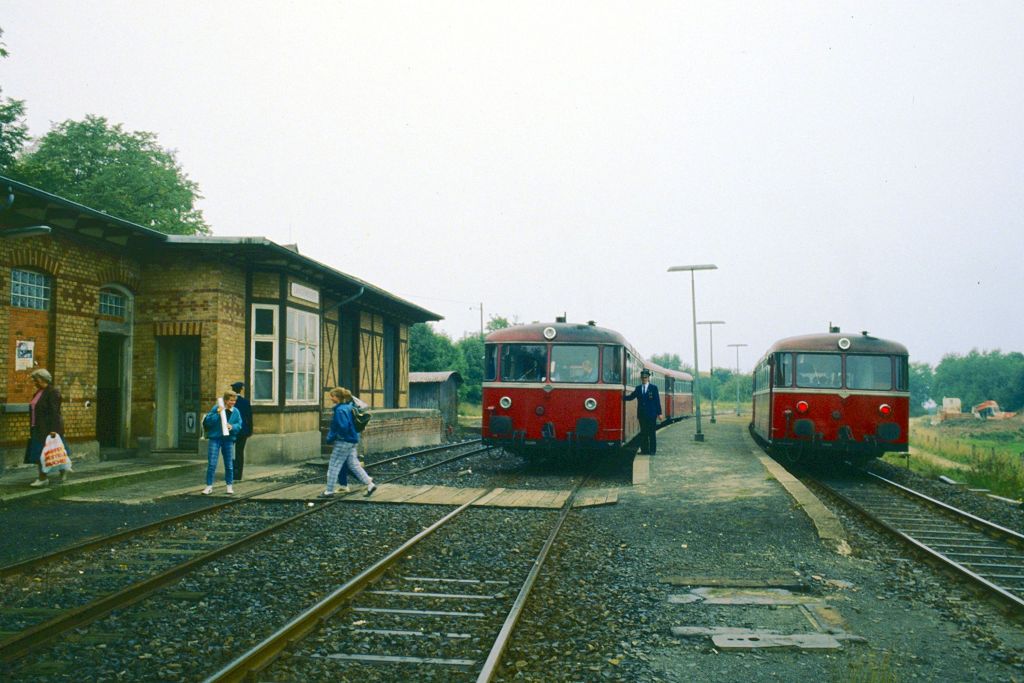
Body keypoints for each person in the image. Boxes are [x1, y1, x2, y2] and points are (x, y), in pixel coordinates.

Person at [323, 387, 376, 498]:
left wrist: (333, 436)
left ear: (337, 397)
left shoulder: (339, 410)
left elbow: (343, 426)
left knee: (334, 465)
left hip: (343, 441)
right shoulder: (349, 407)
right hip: (352, 440)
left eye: (332, 396)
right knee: (353, 464)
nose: (331, 398)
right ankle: (370, 484)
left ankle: (329, 491)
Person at [25, 369, 68, 487]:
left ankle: (45, 477)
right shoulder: (38, 392)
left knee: (51, 453)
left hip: (48, 429)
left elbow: (55, 413)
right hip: (37, 427)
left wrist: (54, 430)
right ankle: (45, 477)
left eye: (36, 379)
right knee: (42, 454)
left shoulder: (53, 392)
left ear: (43, 379)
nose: (34, 382)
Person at [201, 390, 243, 495]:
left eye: (234, 400)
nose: (233, 402)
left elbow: (239, 425)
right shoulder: (217, 408)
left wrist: (232, 427)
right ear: (225, 400)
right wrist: (218, 414)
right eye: (231, 400)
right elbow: (208, 422)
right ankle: (209, 486)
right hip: (215, 438)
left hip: (228, 440)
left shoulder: (236, 411)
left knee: (229, 464)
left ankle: (229, 486)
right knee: (212, 463)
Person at [624, 369, 662, 455]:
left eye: (645, 377)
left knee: (652, 433)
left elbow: (657, 401)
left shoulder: (653, 388)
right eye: (642, 378)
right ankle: (644, 450)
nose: (644, 379)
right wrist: (621, 397)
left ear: (648, 378)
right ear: (641, 379)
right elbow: (631, 397)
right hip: (642, 415)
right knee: (643, 433)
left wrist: (659, 413)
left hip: (652, 414)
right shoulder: (638, 388)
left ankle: (652, 451)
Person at [230, 382, 253, 481]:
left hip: (230, 430)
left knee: (229, 451)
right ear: (241, 390)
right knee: (240, 452)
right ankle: (239, 474)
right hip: (242, 430)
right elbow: (249, 417)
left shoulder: (229, 402)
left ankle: (231, 471)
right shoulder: (245, 402)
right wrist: (250, 430)